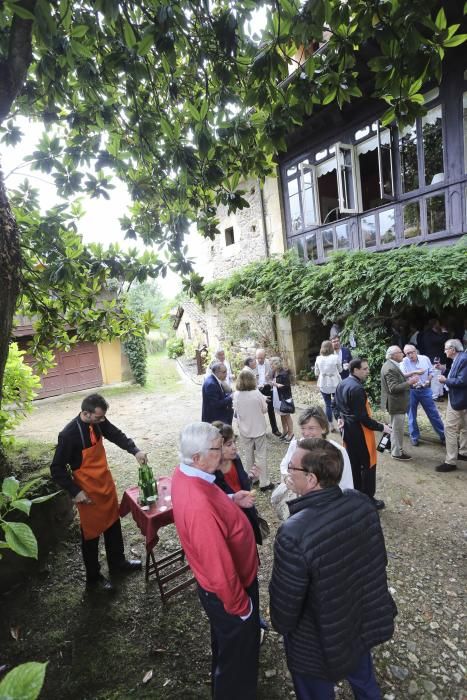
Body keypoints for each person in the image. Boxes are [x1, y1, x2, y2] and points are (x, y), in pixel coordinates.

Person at [269, 438, 397, 700]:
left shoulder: (293, 533)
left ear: (312, 479)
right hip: (357, 620)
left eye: (292, 468)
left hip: (315, 641)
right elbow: (378, 560)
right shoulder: (361, 502)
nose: (287, 472)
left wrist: (281, 625)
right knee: (364, 680)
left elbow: (284, 611)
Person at [171, 422, 260, 700]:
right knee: (238, 661)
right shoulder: (198, 505)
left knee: (226, 648)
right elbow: (218, 566)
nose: (223, 452)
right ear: (196, 457)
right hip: (230, 595)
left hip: (223, 591)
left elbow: (211, 501)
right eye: (217, 448)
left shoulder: (188, 474)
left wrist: (231, 499)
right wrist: (241, 606)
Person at [50, 393, 145, 593]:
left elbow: (115, 434)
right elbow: (56, 468)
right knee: (91, 536)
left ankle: (118, 563)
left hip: (105, 484)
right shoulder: (68, 435)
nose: (103, 421)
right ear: (86, 413)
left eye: (103, 417)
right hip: (87, 493)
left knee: (112, 524)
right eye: (99, 417)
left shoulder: (98, 422)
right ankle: (93, 579)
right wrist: (75, 491)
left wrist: (134, 450)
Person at [272, 406, 354, 521]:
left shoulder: (337, 451)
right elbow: (284, 465)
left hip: (325, 507)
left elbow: (346, 484)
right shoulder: (296, 445)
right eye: (303, 428)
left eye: (311, 428)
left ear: (324, 428)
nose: (306, 433)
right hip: (299, 504)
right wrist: (287, 478)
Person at [334, 358, 391, 510]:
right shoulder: (357, 389)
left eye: (367, 368)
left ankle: (355, 495)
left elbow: (334, 405)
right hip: (360, 432)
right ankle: (367, 499)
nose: (367, 371)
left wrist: (339, 418)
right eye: (364, 369)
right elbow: (363, 418)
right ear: (355, 370)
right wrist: (381, 427)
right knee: (368, 464)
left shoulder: (342, 383)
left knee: (353, 463)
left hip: (347, 431)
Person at [233, 368, 273, 492]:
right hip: (258, 428)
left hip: (244, 429)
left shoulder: (236, 394)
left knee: (248, 455)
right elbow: (264, 409)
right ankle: (264, 482)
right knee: (261, 455)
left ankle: (252, 478)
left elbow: (236, 411)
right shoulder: (256, 393)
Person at [400, 345, 445, 447]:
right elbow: (402, 375)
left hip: (425, 390)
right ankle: (414, 437)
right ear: (405, 354)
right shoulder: (404, 362)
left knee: (433, 414)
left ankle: (443, 436)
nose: (410, 355)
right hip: (411, 391)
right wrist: (415, 372)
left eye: (412, 352)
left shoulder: (425, 359)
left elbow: (431, 372)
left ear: (416, 351)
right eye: (407, 353)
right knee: (412, 415)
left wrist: (428, 380)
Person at [380, 346, 419, 461]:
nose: (403, 354)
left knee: (393, 427)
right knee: (397, 429)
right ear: (393, 355)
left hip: (394, 402)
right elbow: (393, 388)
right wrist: (410, 382)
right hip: (396, 403)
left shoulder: (390, 365)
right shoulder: (390, 368)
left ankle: (389, 447)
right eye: (400, 352)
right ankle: (396, 453)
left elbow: (396, 381)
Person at [435, 339, 467, 473]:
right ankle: (464, 452)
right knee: (465, 427)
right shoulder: (460, 358)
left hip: (459, 400)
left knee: (449, 428)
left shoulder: (464, 359)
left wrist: (445, 380)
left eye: (446, 348)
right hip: (461, 399)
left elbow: (462, 380)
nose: (444, 351)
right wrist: (443, 369)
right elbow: (457, 374)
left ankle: (451, 461)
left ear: (453, 349)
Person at [314, 340, 342, 428]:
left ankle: (330, 425)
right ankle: (340, 422)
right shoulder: (335, 357)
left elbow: (316, 373)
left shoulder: (318, 358)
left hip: (323, 384)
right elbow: (340, 370)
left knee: (328, 405)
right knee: (338, 403)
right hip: (335, 384)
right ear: (331, 348)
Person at [255, 348, 281, 436]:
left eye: (261, 358)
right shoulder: (253, 364)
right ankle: (260, 431)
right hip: (257, 389)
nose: (259, 360)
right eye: (258, 358)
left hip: (268, 388)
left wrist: (269, 380)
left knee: (271, 409)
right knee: (258, 410)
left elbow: (275, 376)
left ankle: (275, 429)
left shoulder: (269, 363)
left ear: (265, 356)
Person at [270, 356, 294, 442]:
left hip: (284, 397)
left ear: (276, 364)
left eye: (271, 364)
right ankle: (285, 431)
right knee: (281, 414)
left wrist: (275, 384)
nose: (270, 366)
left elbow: (287, 387)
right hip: (277, 396)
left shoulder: (284, 374)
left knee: (287, 415)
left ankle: (291, 433)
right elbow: (274, 383)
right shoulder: (274, 372)